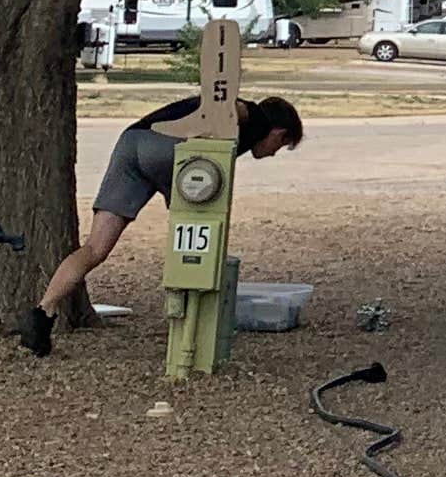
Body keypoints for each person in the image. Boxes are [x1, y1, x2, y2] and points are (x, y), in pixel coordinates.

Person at [21, 91, 304, 353]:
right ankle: (188, 322)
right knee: (196, 230)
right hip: (167, 147)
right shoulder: (255, 116)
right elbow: (225, 108)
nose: (274, 152)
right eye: (281, 145)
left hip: (132, 143)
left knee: (95, 249)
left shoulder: (248, 125)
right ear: (279, 132)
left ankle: (43, 313)